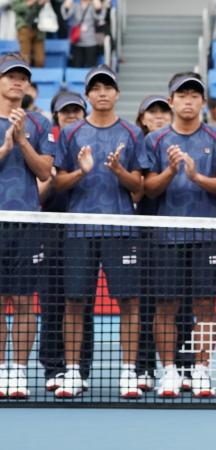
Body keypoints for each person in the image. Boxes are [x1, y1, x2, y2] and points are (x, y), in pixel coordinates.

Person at [51, 66, 145, 399]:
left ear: (117, 94)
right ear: (88, 95)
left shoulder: (133, 134)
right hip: (79, 230)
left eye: (108, 87)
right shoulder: (70, 133)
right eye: (96, 88)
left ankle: (129, 373)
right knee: (74, 302)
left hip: (121, 230)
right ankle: (73, 371)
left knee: (129, 302)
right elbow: (58, 183)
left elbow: (139, 187)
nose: (102, 92)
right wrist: (81, 171)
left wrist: (119, 170)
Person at [143, 72, 216, 398]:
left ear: (201, 102)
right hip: (166, 236)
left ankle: (200, 370)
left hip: (207, 236)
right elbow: (146, 190)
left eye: (195, 95)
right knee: (166, 306)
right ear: (171, 101)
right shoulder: (154, 141)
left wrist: (196, 176)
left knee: (206, 306)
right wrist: (170, 171)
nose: (188, 100)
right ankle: (168, 371)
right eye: (182, 95)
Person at [0, 53, 56, 398]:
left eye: (22, 76)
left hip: (26, 223)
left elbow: (45, 172)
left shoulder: (39, 124)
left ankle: (17, 371)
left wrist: (21, 140)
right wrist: (5, 147)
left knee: (22, 300)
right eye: (10, 76)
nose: (17, 81)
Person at [37, 91, 93, 396]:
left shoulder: (91, 147)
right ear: (57, 117)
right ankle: (53, 366)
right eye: (65, 112)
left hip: (82, 234)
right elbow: (43, 191)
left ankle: (80, 368)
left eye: (76, 111)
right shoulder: (50, 148)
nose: (71, 115)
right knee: (51, 302)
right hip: (51, 232)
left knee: (81, 302)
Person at [133, 94, 173, 393]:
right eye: (152, 112)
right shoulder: (139, 147)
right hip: (142, 235)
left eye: (164, 111)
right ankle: (143, 367)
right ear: (142, 119)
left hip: (175, 237)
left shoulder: (175, 146)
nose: (158, 116)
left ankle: (177, 368)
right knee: (145, 304)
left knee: (175, 307)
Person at [61, 0, 105, 68]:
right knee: (76, 67)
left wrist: (98, 6)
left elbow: (100, 17)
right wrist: (67, 4)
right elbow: (65, 15)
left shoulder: (93, 5)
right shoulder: (75, 5)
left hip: (91, 42)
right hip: (77, 41)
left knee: (91, 67)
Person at [9, 0, 47, 67]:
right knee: (25, 59)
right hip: (24, 26)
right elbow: (15, 7)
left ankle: (38, 76)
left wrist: (42, 3)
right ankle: (24, 75)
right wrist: (31, 2)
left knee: (40, 61)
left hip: (40, 27)